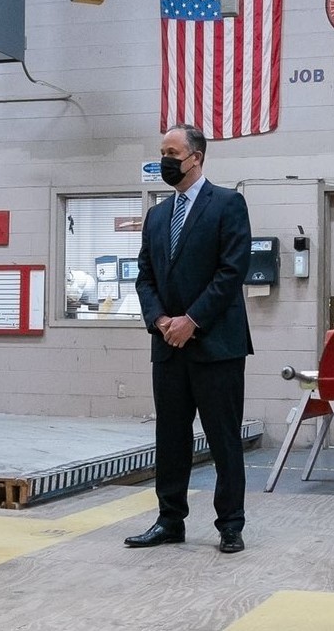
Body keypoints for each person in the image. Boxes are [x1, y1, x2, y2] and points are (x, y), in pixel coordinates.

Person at [125, 123, 253, 554]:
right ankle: (169, 520)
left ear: (195, 157)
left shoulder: (229, 204)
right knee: (171, 438)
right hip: (167, 346)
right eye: (162, 150)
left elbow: (231, 272)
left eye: (172, 152)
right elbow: (145, 276)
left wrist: (191, 320)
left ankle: (230, 525)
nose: (165, 159)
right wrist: (161, 319)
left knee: (224, 439)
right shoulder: (158, 215)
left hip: (216, 346)